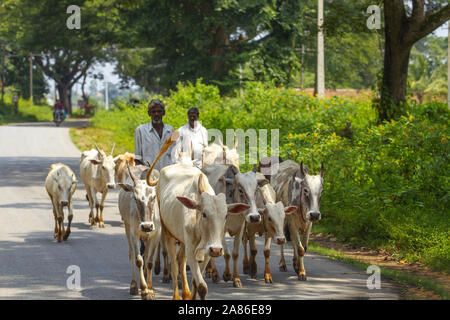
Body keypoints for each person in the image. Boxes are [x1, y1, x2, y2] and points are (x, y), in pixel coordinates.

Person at [134, 99, 175, 171]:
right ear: (149, 113)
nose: (156, 114)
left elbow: (175, 154)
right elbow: (137, 159)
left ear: (163, 113)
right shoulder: (140, 130)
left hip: (167, 175)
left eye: (159, 111)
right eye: (153, 111)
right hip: (149, 176)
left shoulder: (171, 130)